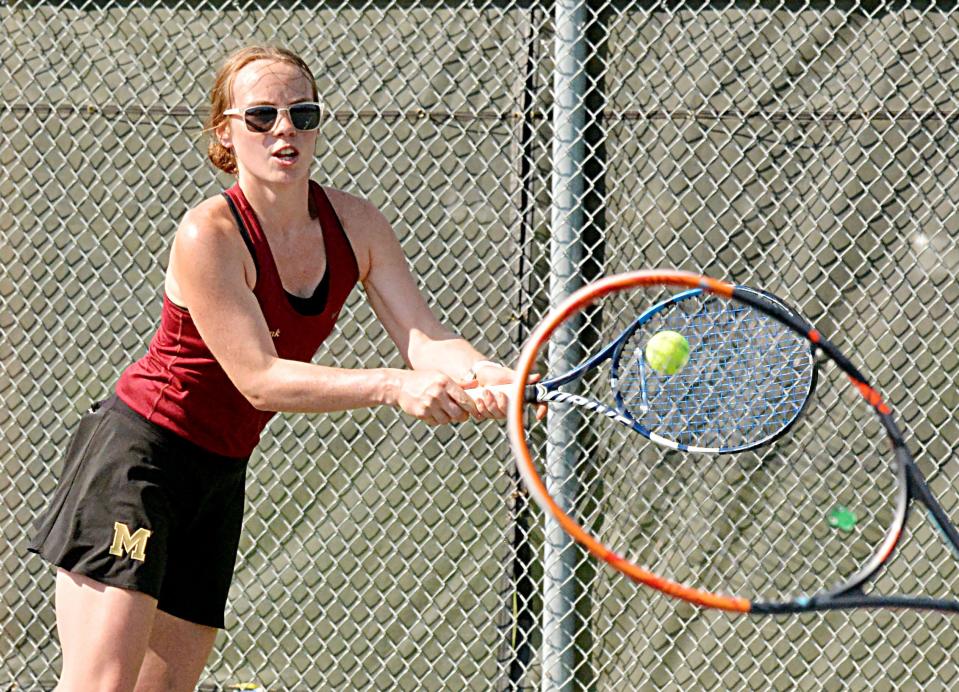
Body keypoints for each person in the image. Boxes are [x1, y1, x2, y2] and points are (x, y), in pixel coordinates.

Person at [28, 44, 514, 691]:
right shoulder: (210, 234)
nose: (284, 130)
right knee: (103, 685)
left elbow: (425, 339)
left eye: (301, 113)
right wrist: (394, 387)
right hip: (136, 463)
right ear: (225, 133)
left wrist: (496, 376)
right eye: (260, 116)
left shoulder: (357, 225)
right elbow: (258, 377)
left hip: (218, 474)